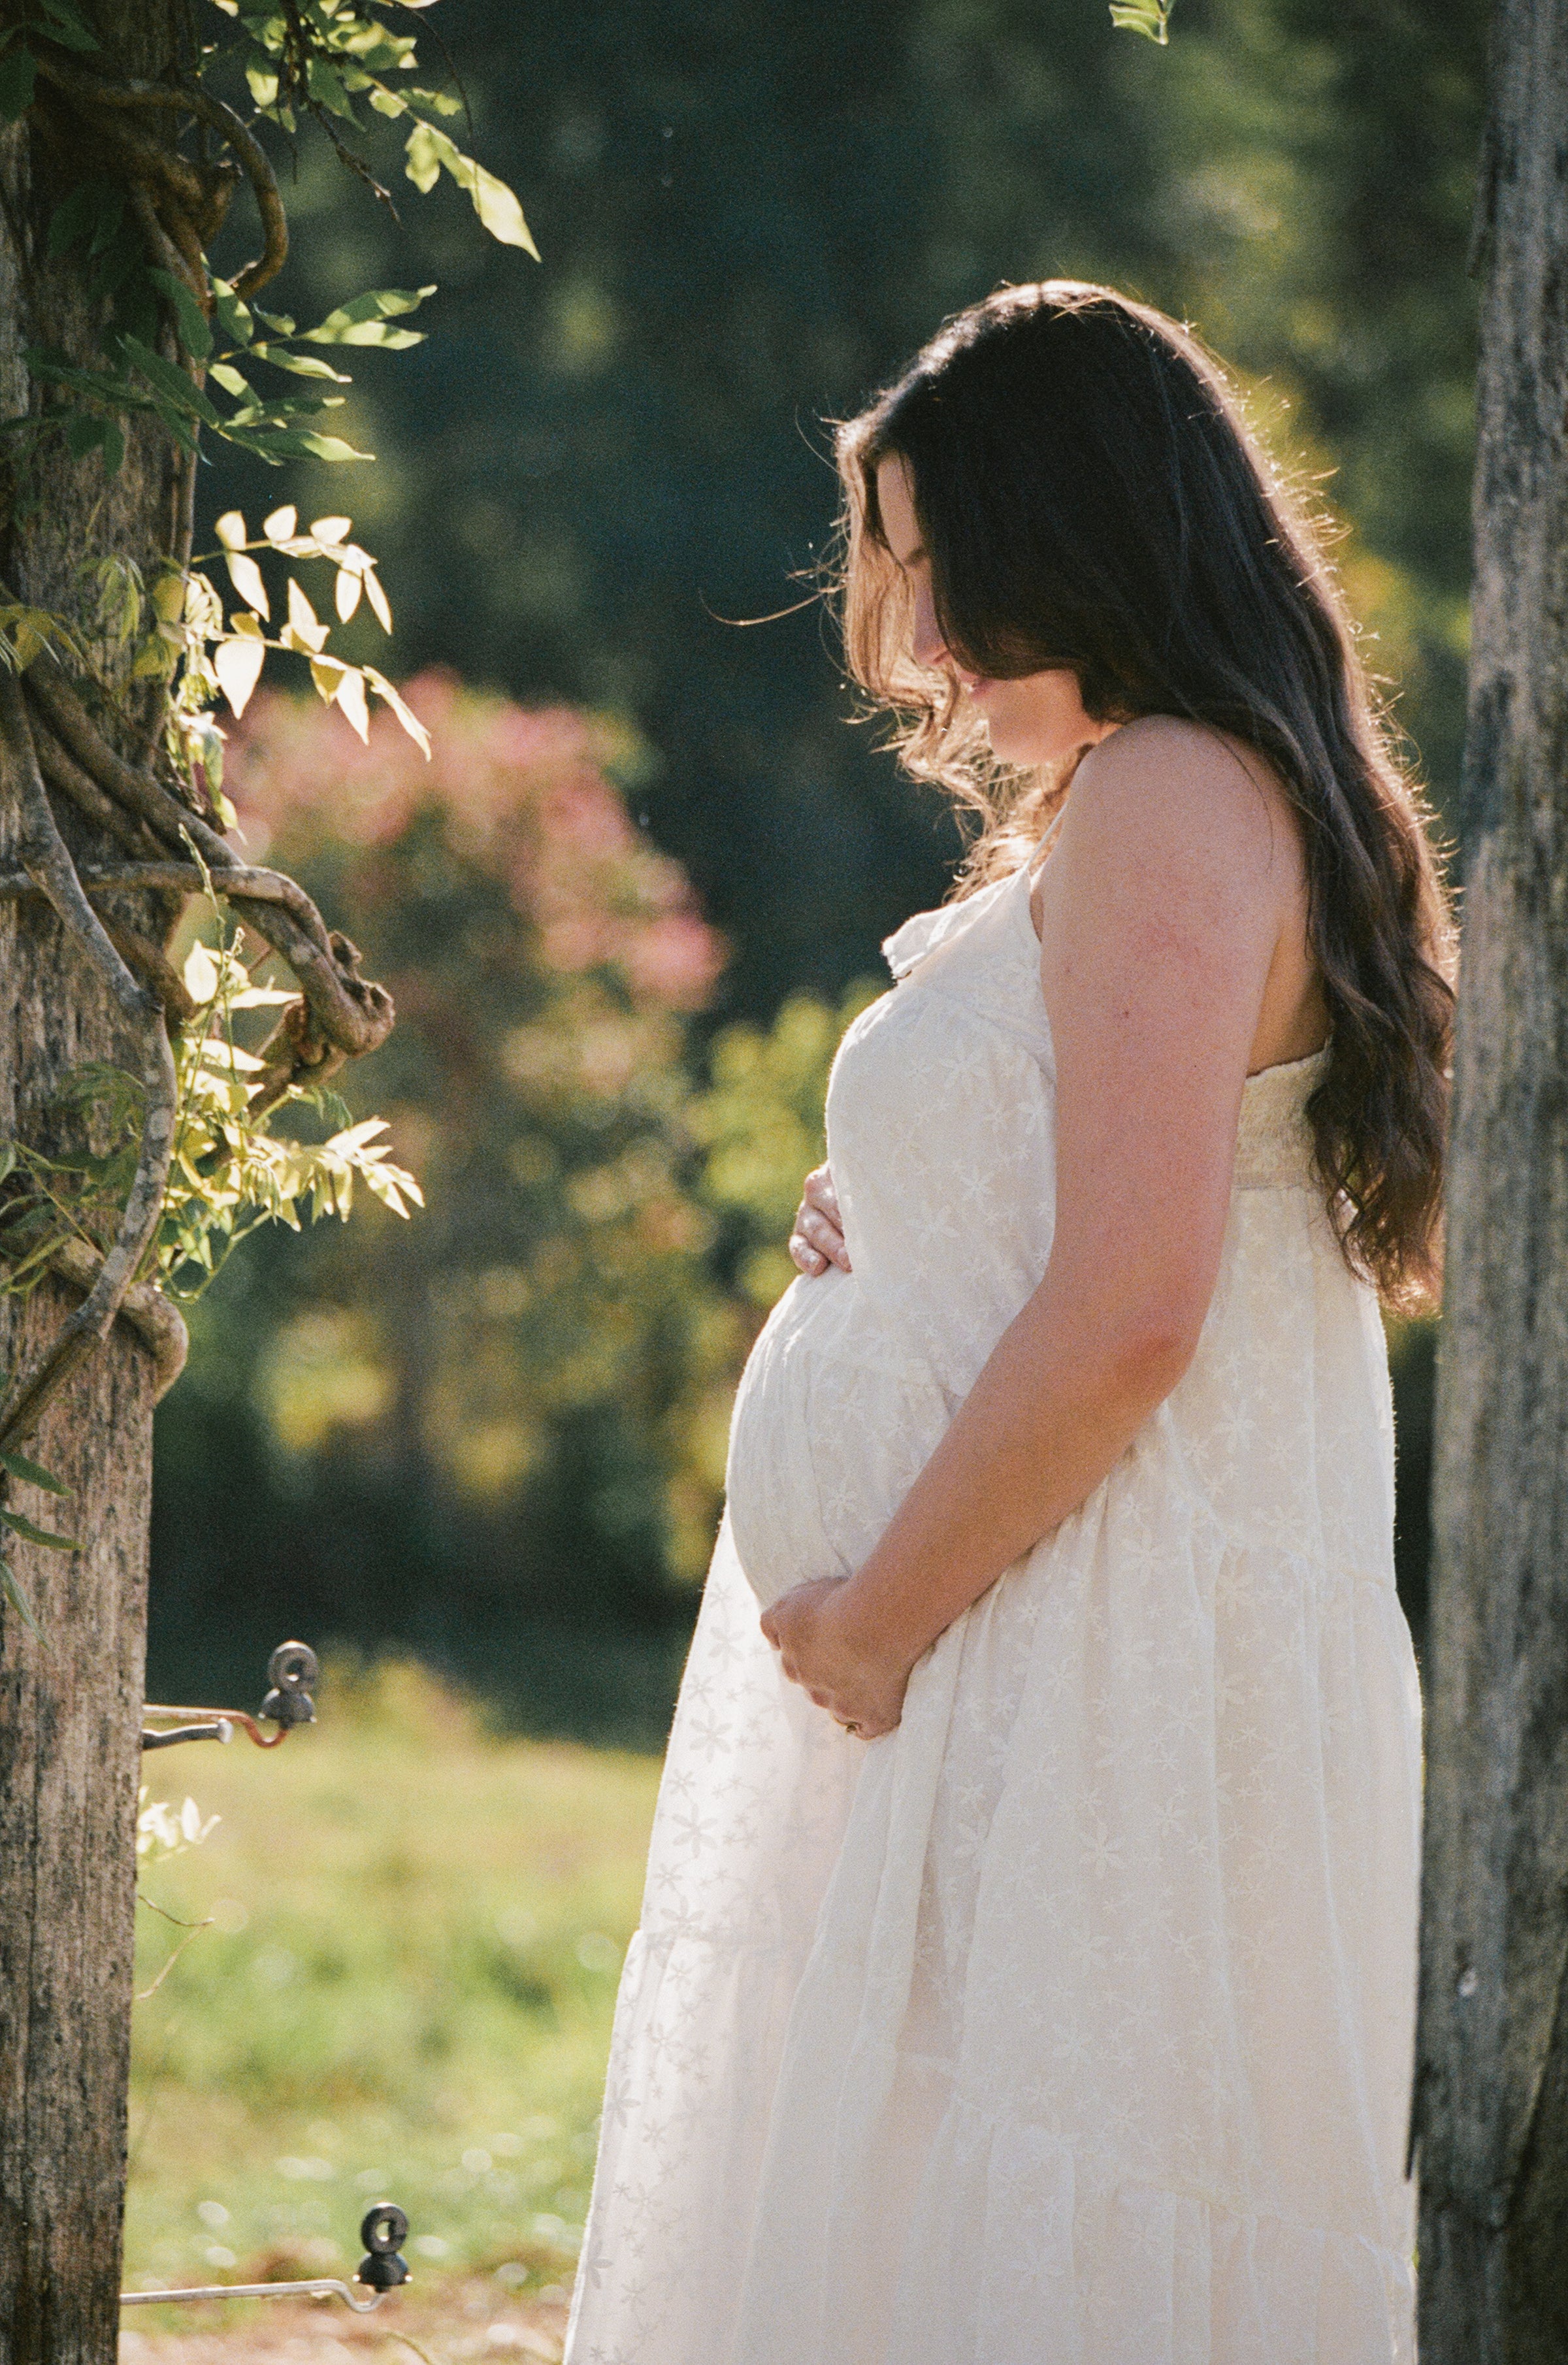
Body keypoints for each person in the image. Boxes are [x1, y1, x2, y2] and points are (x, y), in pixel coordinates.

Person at [564, 282, 1452, 2365]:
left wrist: (877, 1616)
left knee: (1043, 2240)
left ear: (1059, 528)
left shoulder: (1166, 792)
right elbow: (1104, 1197)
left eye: (931, 559)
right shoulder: (1176, 796)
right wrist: (912, 1208)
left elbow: (1140, 1308)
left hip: (1078, 1641)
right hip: (1058, 1635)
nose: (925, 635)